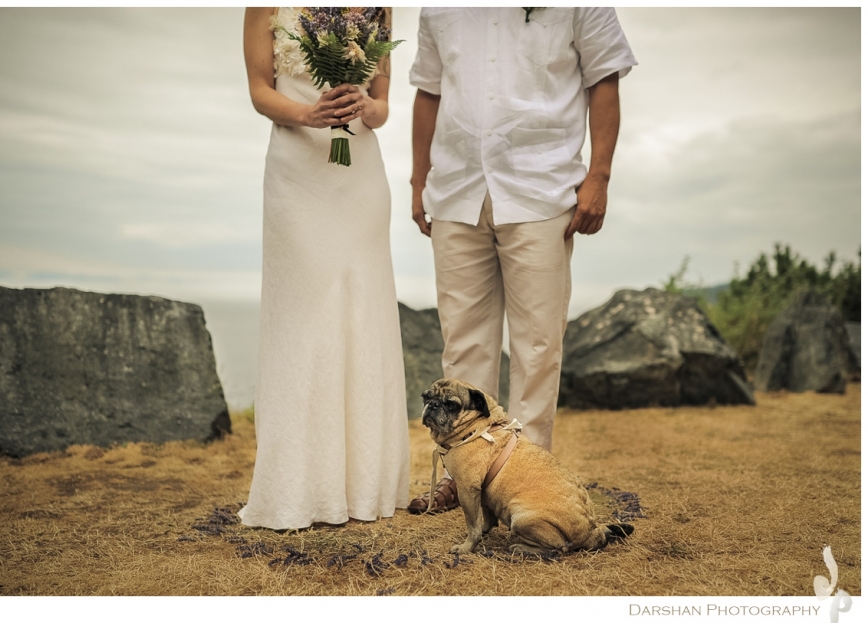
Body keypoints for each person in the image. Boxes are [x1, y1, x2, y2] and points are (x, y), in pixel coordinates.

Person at [407, 7, 637, 514]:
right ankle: (464, 473)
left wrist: (598, 175)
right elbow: (429, 91)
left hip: (541, 189)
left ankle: (524, 479)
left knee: (537, 345)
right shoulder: (438, 9)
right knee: (462, 343)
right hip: (456, 190)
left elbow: (604, 79)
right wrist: (419, 179)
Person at [238, 7, 410, 530]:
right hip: (296, 168)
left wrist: (366, 105)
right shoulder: (264, 5)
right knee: (304, 314)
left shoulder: (378, 6)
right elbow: (258, 89)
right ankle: (297, 484)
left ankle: (364, 484)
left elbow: (383, 105)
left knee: (363, 307)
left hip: (358, 172)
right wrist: (308, 114)